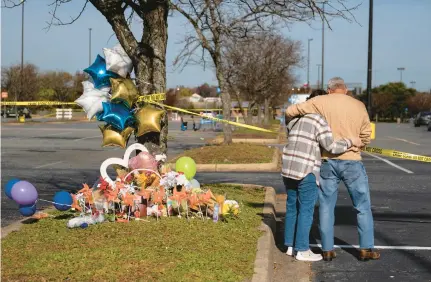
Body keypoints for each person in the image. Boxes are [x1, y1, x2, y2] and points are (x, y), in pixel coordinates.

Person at [285, 77, 380, 262]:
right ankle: (365, 248)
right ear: (345, 90)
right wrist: (355, 144)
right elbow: (366, 136)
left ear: (329, 90)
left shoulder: (319, 102)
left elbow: (290, 111)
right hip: (352, 161)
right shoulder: (359, 105)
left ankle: (327, 249)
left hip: (327, 160)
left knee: (326, 206)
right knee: (362, 206)